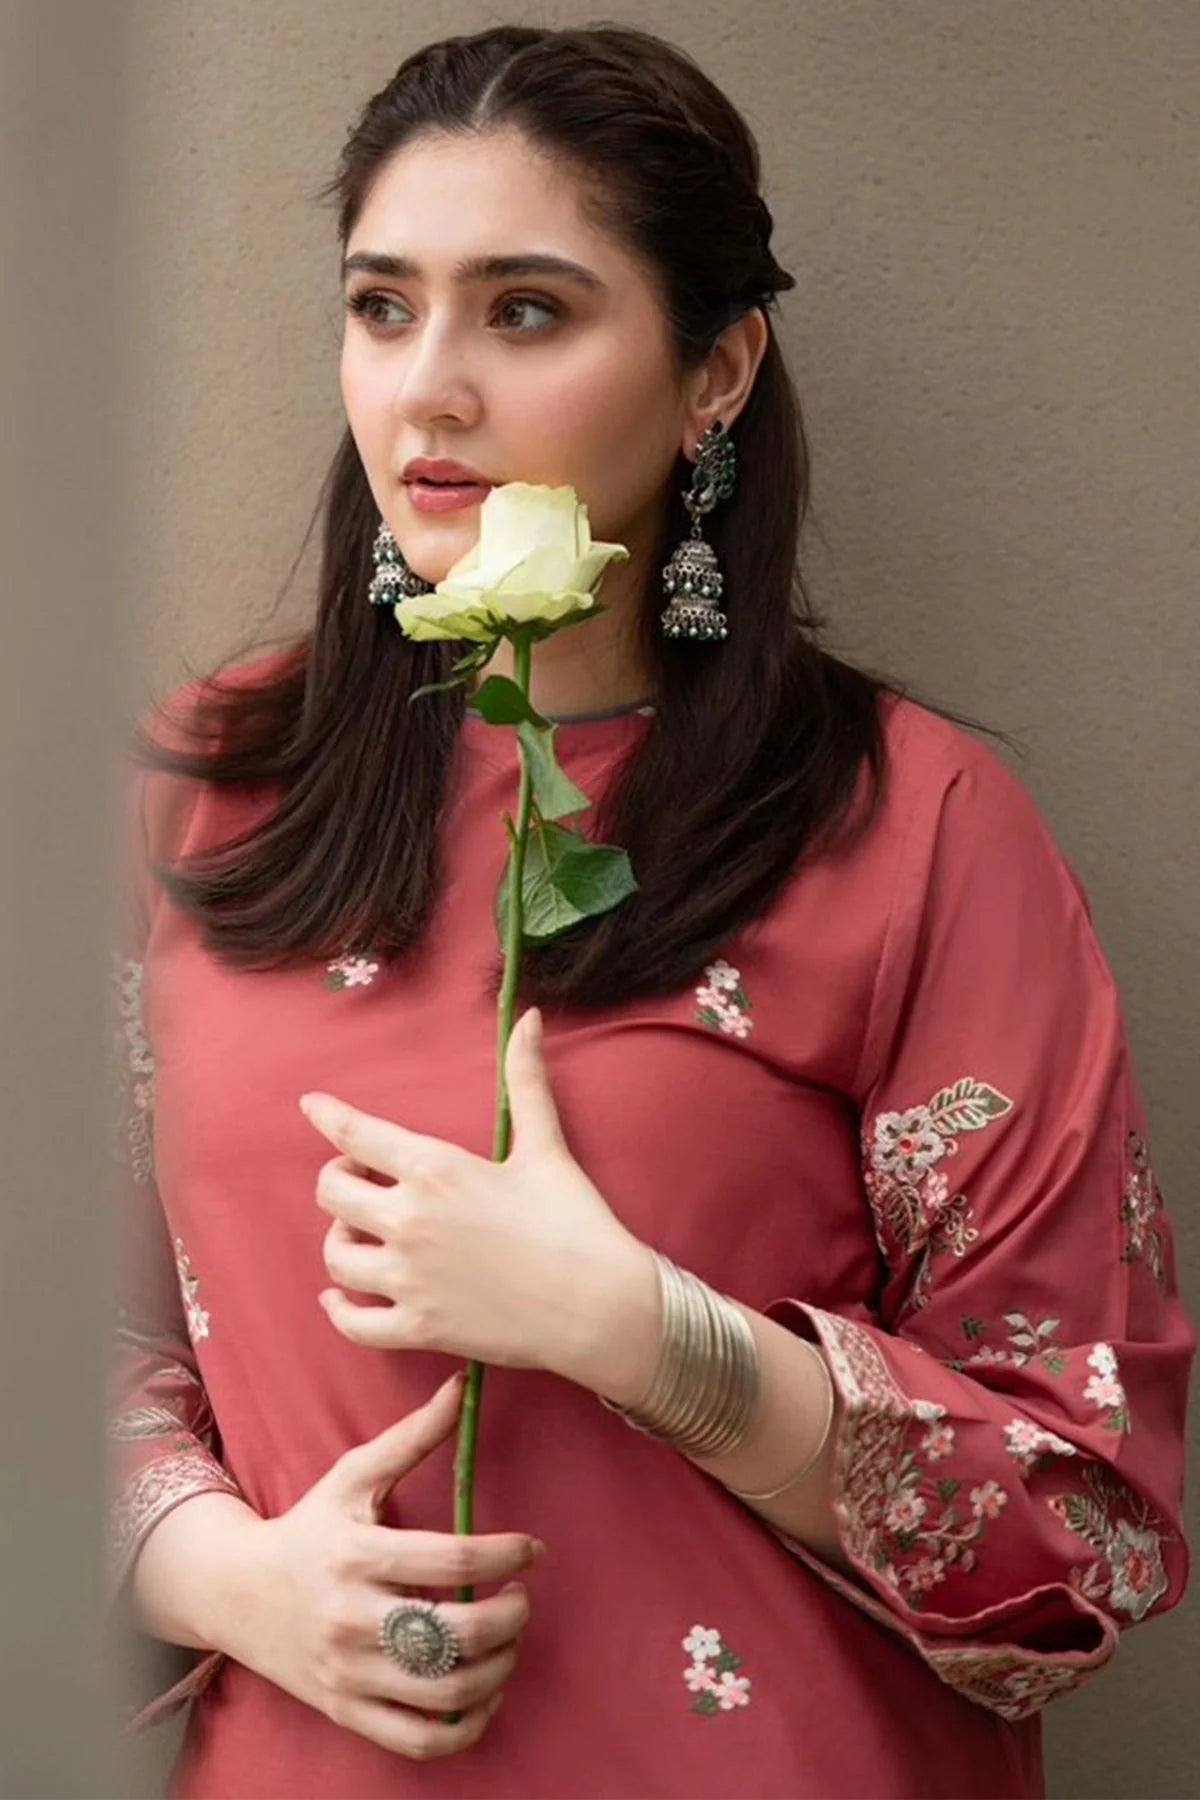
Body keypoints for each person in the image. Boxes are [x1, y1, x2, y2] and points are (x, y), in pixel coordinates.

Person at [107, 22, 1193, 1800]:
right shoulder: (198, 793)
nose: (427, 389)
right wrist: (231, 1579)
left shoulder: (912, 828)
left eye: (525, 311)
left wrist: (649, 1337)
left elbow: (1091, 1532)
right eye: (381, 307)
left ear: (716, 372)